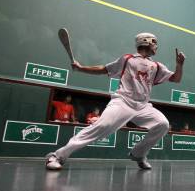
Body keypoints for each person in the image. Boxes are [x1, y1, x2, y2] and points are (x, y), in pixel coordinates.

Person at [45, 33, 185, 170]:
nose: (157, 46)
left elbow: (176, 78)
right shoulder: (128, 59)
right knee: (102, 126)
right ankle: (58, 156)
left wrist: (179, 65)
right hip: (123, 102)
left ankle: (138, 154)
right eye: (155, 42)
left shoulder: (157, 66)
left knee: (162, 124)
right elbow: (104, 69)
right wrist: (81, 68)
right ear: (145, 41)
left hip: (143, 106)